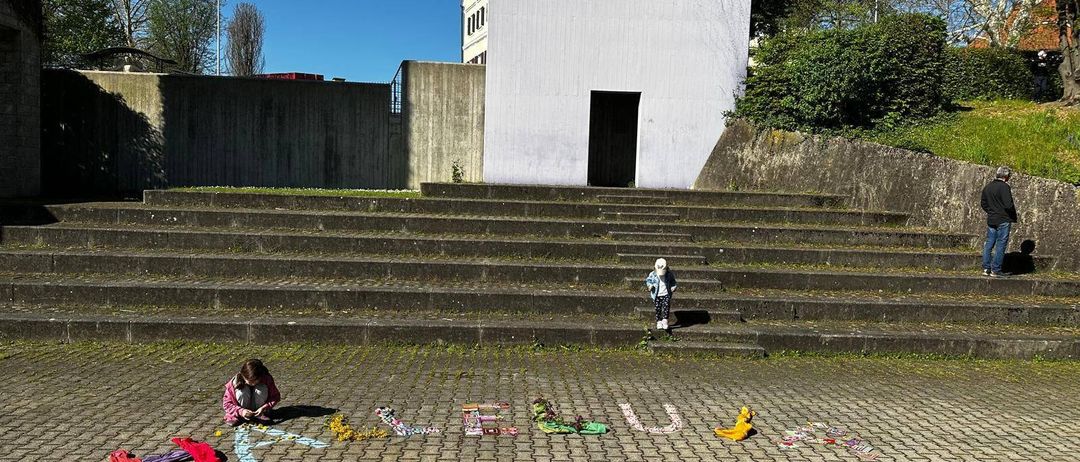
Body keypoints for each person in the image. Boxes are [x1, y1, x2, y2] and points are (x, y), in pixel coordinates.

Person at [980, 166, 1018, 277]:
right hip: (1003, 219)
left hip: (992, 219)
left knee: (989, 243)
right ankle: (996, 269)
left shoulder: (988, 187)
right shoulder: (1004, 187)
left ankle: (986, 268)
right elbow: (1008, 204)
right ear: (1006, 176)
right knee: (1001, 244)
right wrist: (1011, 213)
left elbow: (983, 203)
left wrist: (991, 211)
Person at [223, 359, 281, 426]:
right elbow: (226, 404)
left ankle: (259, 415)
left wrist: (264, 407)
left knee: (261, 389)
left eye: (256, 381)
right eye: (250, 381)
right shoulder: (234, 383)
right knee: (241, 391)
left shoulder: (266, 378)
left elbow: (275, 396)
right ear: (243, 376)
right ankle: (239, 416)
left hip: (259, 409)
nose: (253, 384)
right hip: (241, 410)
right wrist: (241, 411)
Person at [645, 258, 677, 331]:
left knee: (666, 306)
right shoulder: (652, 274)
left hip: (666, 293)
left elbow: (673, 282)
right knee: (658, 308)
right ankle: (659, 321)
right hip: (656, 294)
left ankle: (665, 320)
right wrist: (650, 286)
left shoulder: (669, 274)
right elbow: (648, 281)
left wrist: (673, 287)